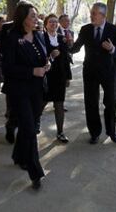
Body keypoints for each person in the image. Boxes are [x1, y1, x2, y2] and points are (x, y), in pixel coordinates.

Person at [3, 1, 48, 190]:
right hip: (19, 90)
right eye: (32, 16)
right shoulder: (12, 37)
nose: (36, 19)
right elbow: (9, 68)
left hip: (38, 90)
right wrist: (32, 71)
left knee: (27, 126)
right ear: (22, 18)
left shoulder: (38, 34)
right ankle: (35, 172)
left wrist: (46, 65)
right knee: (30, 129)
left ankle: (18, 155)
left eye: (36, 15)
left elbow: (42, 58)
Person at [69, 2, 116, 144]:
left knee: (111, 102)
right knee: (91, 103)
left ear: (103, 15)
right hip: (90, 72)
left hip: (108, 72)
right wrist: (68, 45)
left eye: (94, 13)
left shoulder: (113, 30)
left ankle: (111, 131)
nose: (91, 15)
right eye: (91, 13)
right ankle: (94, 132)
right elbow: (76, 47)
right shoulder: (85, 29)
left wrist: (112, 49)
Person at [42, 14, 72, 143]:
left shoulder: (61, 38)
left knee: (59, 104)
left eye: (55, 22)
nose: (53, 24)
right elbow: (39, 57)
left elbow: (66, 58)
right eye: (51, 22)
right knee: (41, 103)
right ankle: (34, 125)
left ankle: (60, 132)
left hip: (60, 75)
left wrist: (68, 77)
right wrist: (51, 56)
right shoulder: (41, 37)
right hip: (46, 76)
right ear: (46, 24)